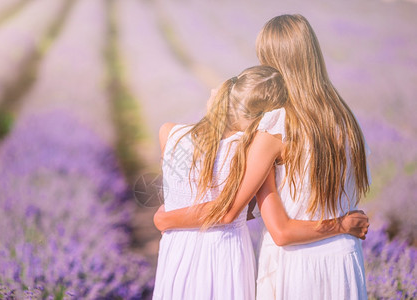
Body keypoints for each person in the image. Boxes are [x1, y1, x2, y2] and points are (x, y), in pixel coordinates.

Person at [153, 65, 369, 300]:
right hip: (225, 253)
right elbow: (232, 212)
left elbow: (178, 193)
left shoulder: (168, 132)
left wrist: (166, 218)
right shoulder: (245, 150)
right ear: (262, 119)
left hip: (175, 250)